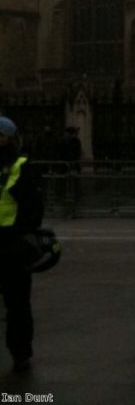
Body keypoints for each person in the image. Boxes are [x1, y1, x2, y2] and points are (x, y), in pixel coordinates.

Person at [0, 116, 45, 372]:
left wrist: (24, 236)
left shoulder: (21, 166)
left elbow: (33, 208)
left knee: (17, 303)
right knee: (17, 303)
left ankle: (20, 353)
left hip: (12, 243)